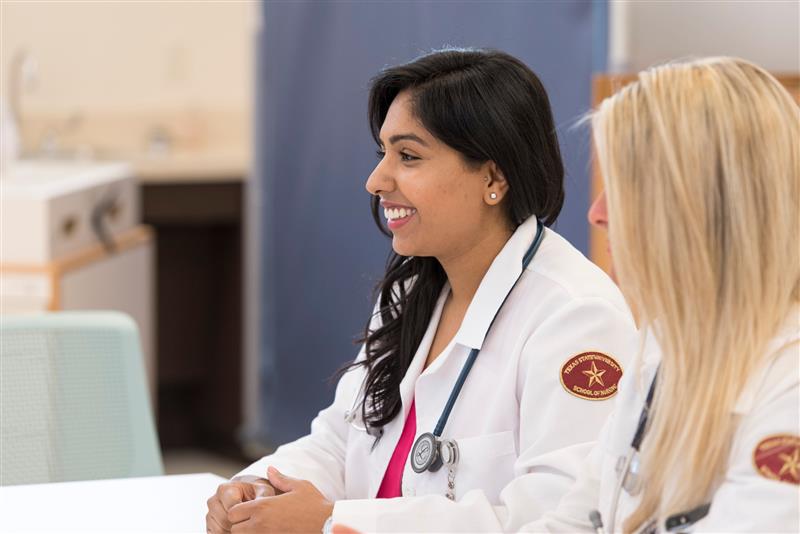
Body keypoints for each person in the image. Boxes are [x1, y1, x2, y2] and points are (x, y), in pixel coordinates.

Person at [206, 48, 637, 534]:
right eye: (382, 153)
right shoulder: (412, 288)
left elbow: (556, 519)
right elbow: (339, 440)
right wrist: (256, 489)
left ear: (493, 178)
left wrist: (332, 521)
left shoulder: (577, 317)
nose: (376, 180)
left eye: (408, 156)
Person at [524, 57, 800, 533]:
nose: (596, 212)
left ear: (695, 206)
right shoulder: (662, 344)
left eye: (626, 189)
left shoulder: (789, 385)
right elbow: (573, 521)